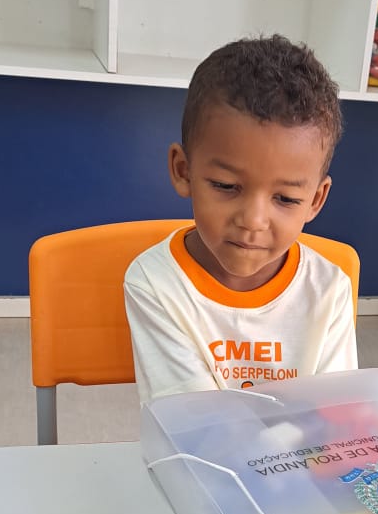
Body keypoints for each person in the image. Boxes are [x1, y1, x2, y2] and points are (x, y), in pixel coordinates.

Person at [124, 35, 358, 405]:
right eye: (226, 186)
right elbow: (194, 420)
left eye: (285, 198)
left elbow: (333, 413)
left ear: (315, 200)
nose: (253, 220)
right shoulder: (154, 282)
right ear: (183, 171)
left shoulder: (330, 290)